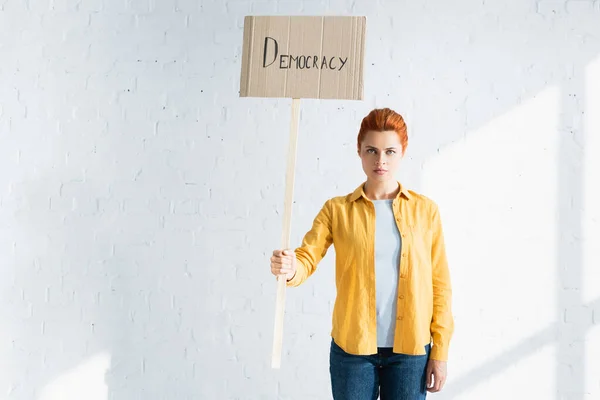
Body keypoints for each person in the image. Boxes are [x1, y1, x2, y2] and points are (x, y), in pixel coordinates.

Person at [270, 108, 454, 400]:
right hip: (352, 351)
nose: (380, 161)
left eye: (390, 151)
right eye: (372, 150)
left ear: (402, 152)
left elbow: (440, 286)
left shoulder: (425, 211)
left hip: (410, 353)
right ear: (359, 151)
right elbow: (307, 257)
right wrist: (290, 268)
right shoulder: (337, 210)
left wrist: (440, 351)